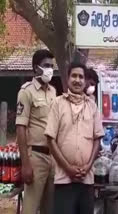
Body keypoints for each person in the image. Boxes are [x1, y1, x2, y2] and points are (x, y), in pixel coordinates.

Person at [44, 63, 104, 214]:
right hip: (64, 179)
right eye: (74, 76)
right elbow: (50, 139)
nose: (77, 80)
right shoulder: (57, 104)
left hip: (86, 179)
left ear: (85, 81)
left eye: (81, 77)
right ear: (68, 78)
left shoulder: (92, 107)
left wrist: (88, 165)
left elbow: (97, 138)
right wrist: (68, 168)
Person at [15, 49, 56, 214]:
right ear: (35, 68)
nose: (50, 70)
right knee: (31, 208)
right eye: (46, 65)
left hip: (53, 157)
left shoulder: (53, 91)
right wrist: (25, 164)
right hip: (36, 157)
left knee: (50, 207)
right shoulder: (26, 92)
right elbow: (20, 127)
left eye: (51, 66)